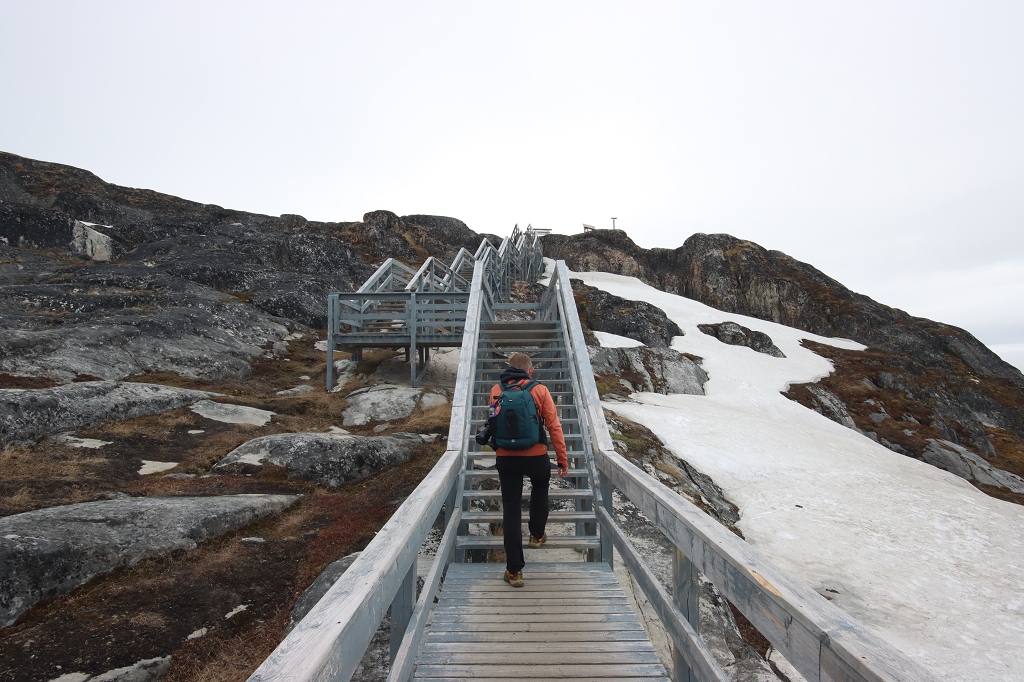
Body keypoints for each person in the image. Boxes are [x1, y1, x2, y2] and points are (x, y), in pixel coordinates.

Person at [485, 352, 568, 587]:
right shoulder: (540, 390)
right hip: (536, 456)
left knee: (511, 509)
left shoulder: (496, 390)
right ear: (530, 370)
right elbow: (554, 426)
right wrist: (562, 458)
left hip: (506, 458)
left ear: (508, 368)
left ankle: (514, 572)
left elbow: (492, 422)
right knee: (540, 487)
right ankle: (536, 534)